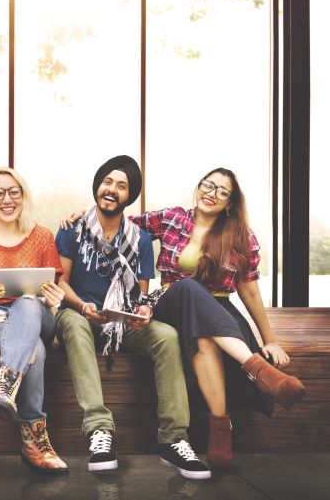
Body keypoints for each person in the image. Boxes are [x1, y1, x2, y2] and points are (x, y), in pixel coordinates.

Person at [127, 168, 305, 469]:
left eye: (222, 191)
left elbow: (249, 293)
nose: (212, 193)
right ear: (199, 187)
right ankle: (260, 371)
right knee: (188, 287)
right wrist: (85, 214)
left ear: (230, 203)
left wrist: (270, 340)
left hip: (218, 313)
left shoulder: (241, 236)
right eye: (208, 185)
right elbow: (120, 224)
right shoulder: (172, 218)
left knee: (205, 337)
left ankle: (220, 429)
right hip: (171, 303)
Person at [54, 155, 211, 480]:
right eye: (107, 182)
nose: (112, 189)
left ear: (130, 195)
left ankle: (174, 438)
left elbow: (139, 294)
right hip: (82, 317)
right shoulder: (72, 228)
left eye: (121, 186)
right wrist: (84, 306)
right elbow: (60, 282)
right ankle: (99, 432)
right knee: (69, 320)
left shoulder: (139, 238)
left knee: (166, 335)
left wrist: (141, 312)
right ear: (97, 186)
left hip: (120, 323)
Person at [0, 167, 68, 474]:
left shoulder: (42, 236)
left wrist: (53, 299)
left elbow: (52, 290)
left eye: (14, 192)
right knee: (34, 349)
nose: (7, 199)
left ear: (22, 196)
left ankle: (5, 385)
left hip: (37, 316)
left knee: (29, 302)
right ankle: (34, 440)